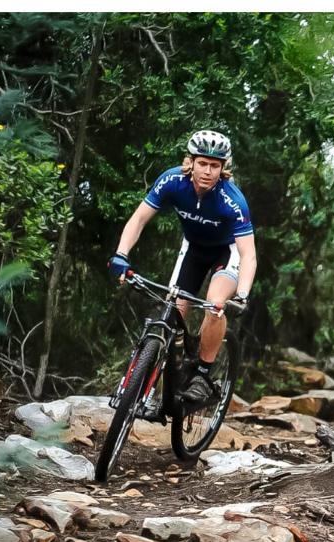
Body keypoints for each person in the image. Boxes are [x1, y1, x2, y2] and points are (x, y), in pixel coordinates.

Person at [107, 130, 256, 405]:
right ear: (191, 162)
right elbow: (138, 219)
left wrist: (243, 295)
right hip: (193, 250)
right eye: (203, 163)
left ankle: (202, 374)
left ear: (223, 169)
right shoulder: (172, 181)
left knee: (214, 304)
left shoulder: (233, 201)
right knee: (173, 309)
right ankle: (158, 377)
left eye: (215, 166)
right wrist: (121, 254)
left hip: (227, 252)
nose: (208, 171)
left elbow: (248, 255)